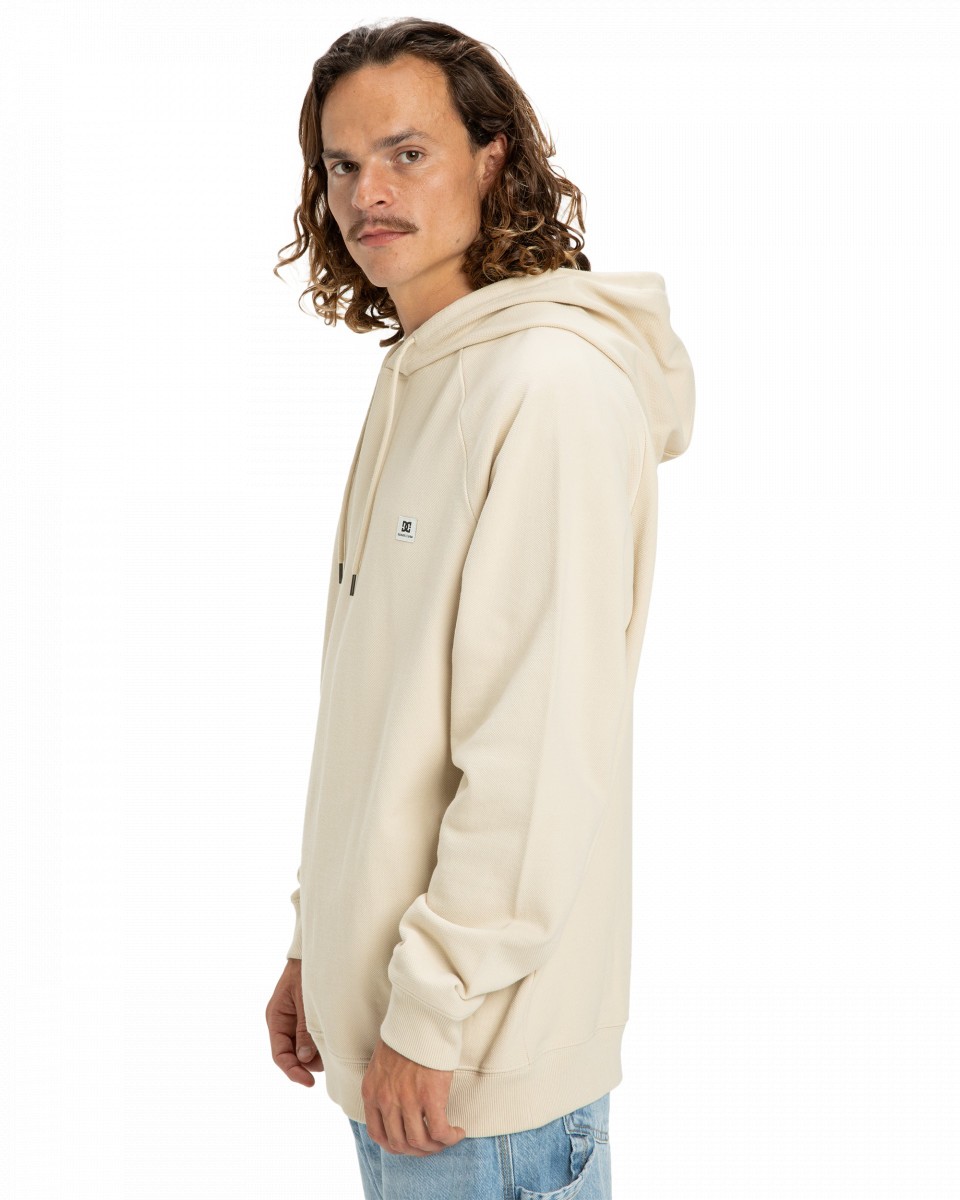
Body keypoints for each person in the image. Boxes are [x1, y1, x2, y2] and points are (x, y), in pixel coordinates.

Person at [264, 17, 695, 1199]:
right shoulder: (423, 374)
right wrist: (319, 947)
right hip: (403, 1050)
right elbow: (380, 719)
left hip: (473, 1078)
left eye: (408, 153)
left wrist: (433, 1008)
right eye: (343, 165)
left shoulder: (547, 387)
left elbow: (537, 747)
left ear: (493, 156)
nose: (368, 193)